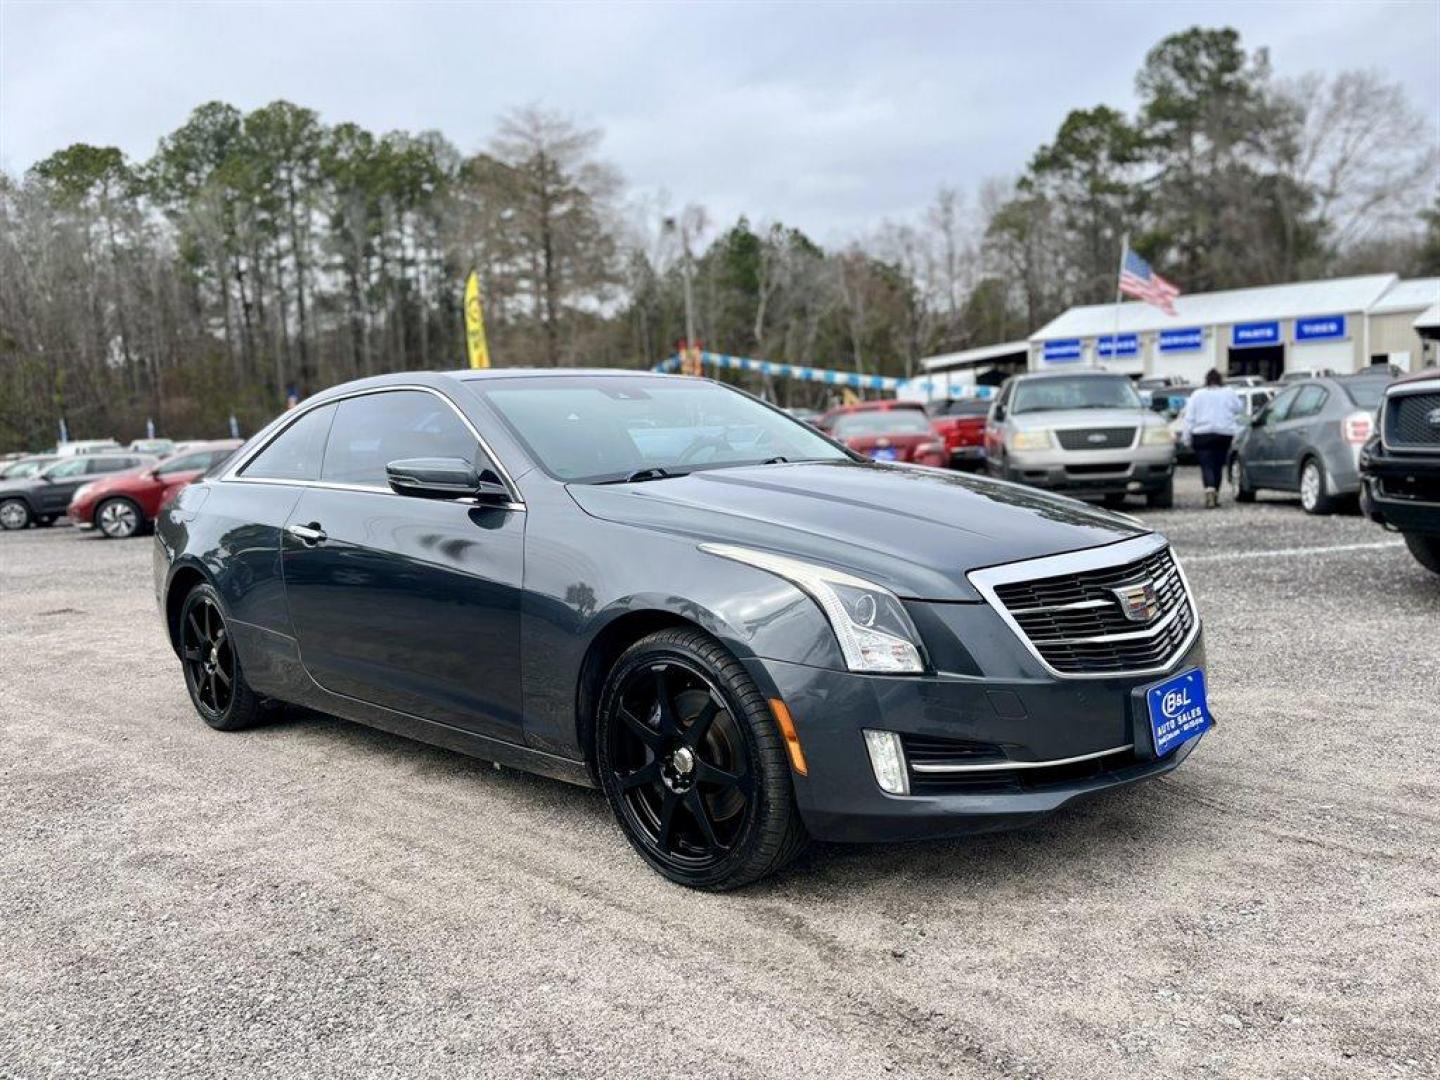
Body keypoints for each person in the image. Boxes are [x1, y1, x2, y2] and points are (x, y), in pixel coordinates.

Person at [1180, 369, 1245, 509]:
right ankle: (1216, 494)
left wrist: (1186, 438)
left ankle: (1209, 490)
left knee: (1206, 465)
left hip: (1202, 434)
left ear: (1206, 380)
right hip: (1224, 434)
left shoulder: (1197, 395)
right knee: (1218, 465)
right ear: (1220, 380)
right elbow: (1239, 407)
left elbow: (1189, 418)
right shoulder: (1228, 392)